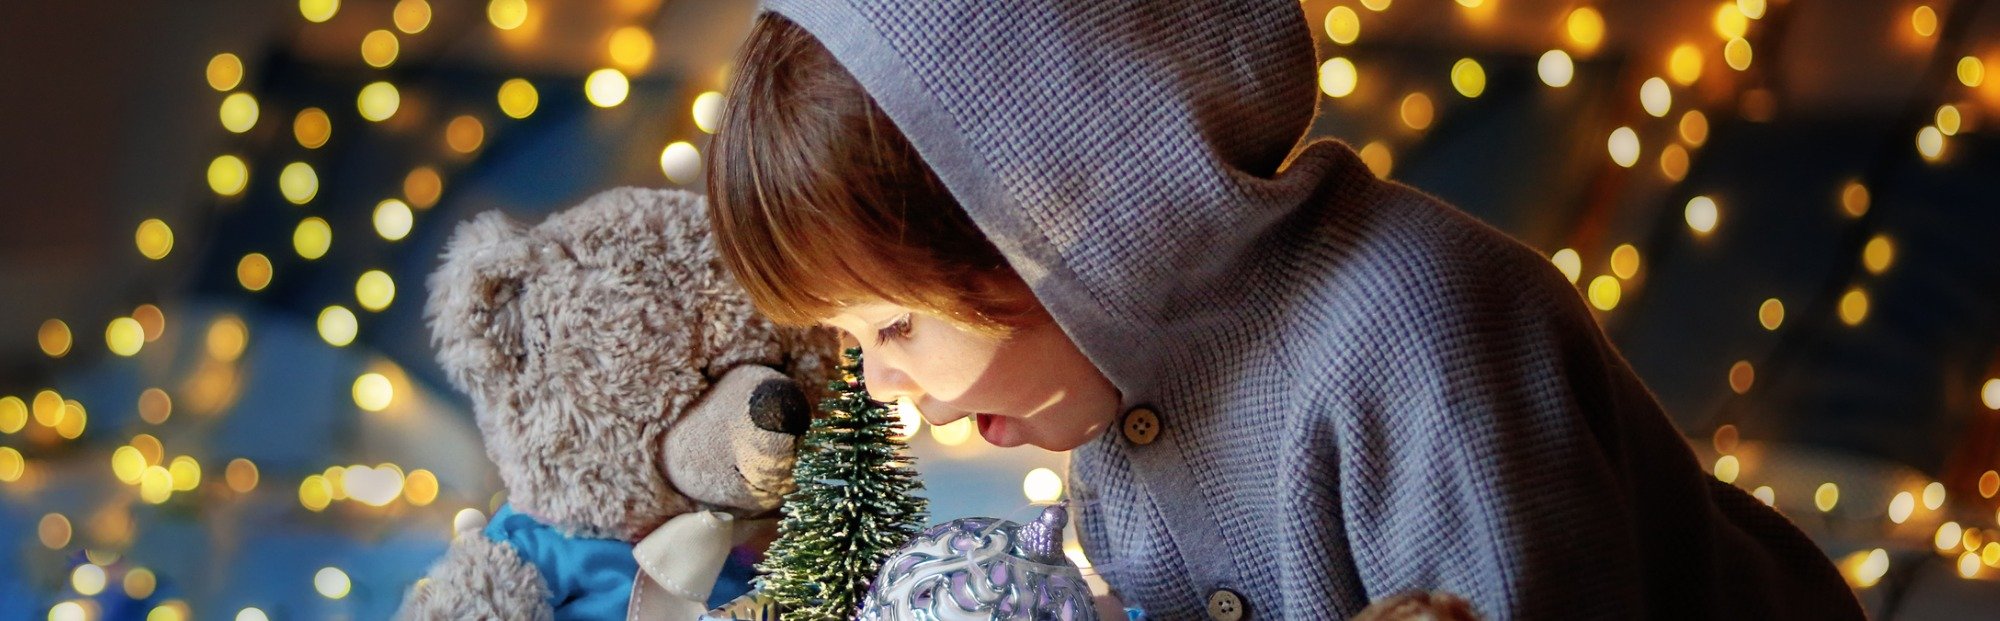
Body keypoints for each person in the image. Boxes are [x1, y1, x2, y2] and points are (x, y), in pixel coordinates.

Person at [702, 0, 1866, 618]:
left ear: (1068, 225)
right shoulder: (1118, 413)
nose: (880, 386)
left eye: (892, 328)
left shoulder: (1417, 341)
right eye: (849, 343)